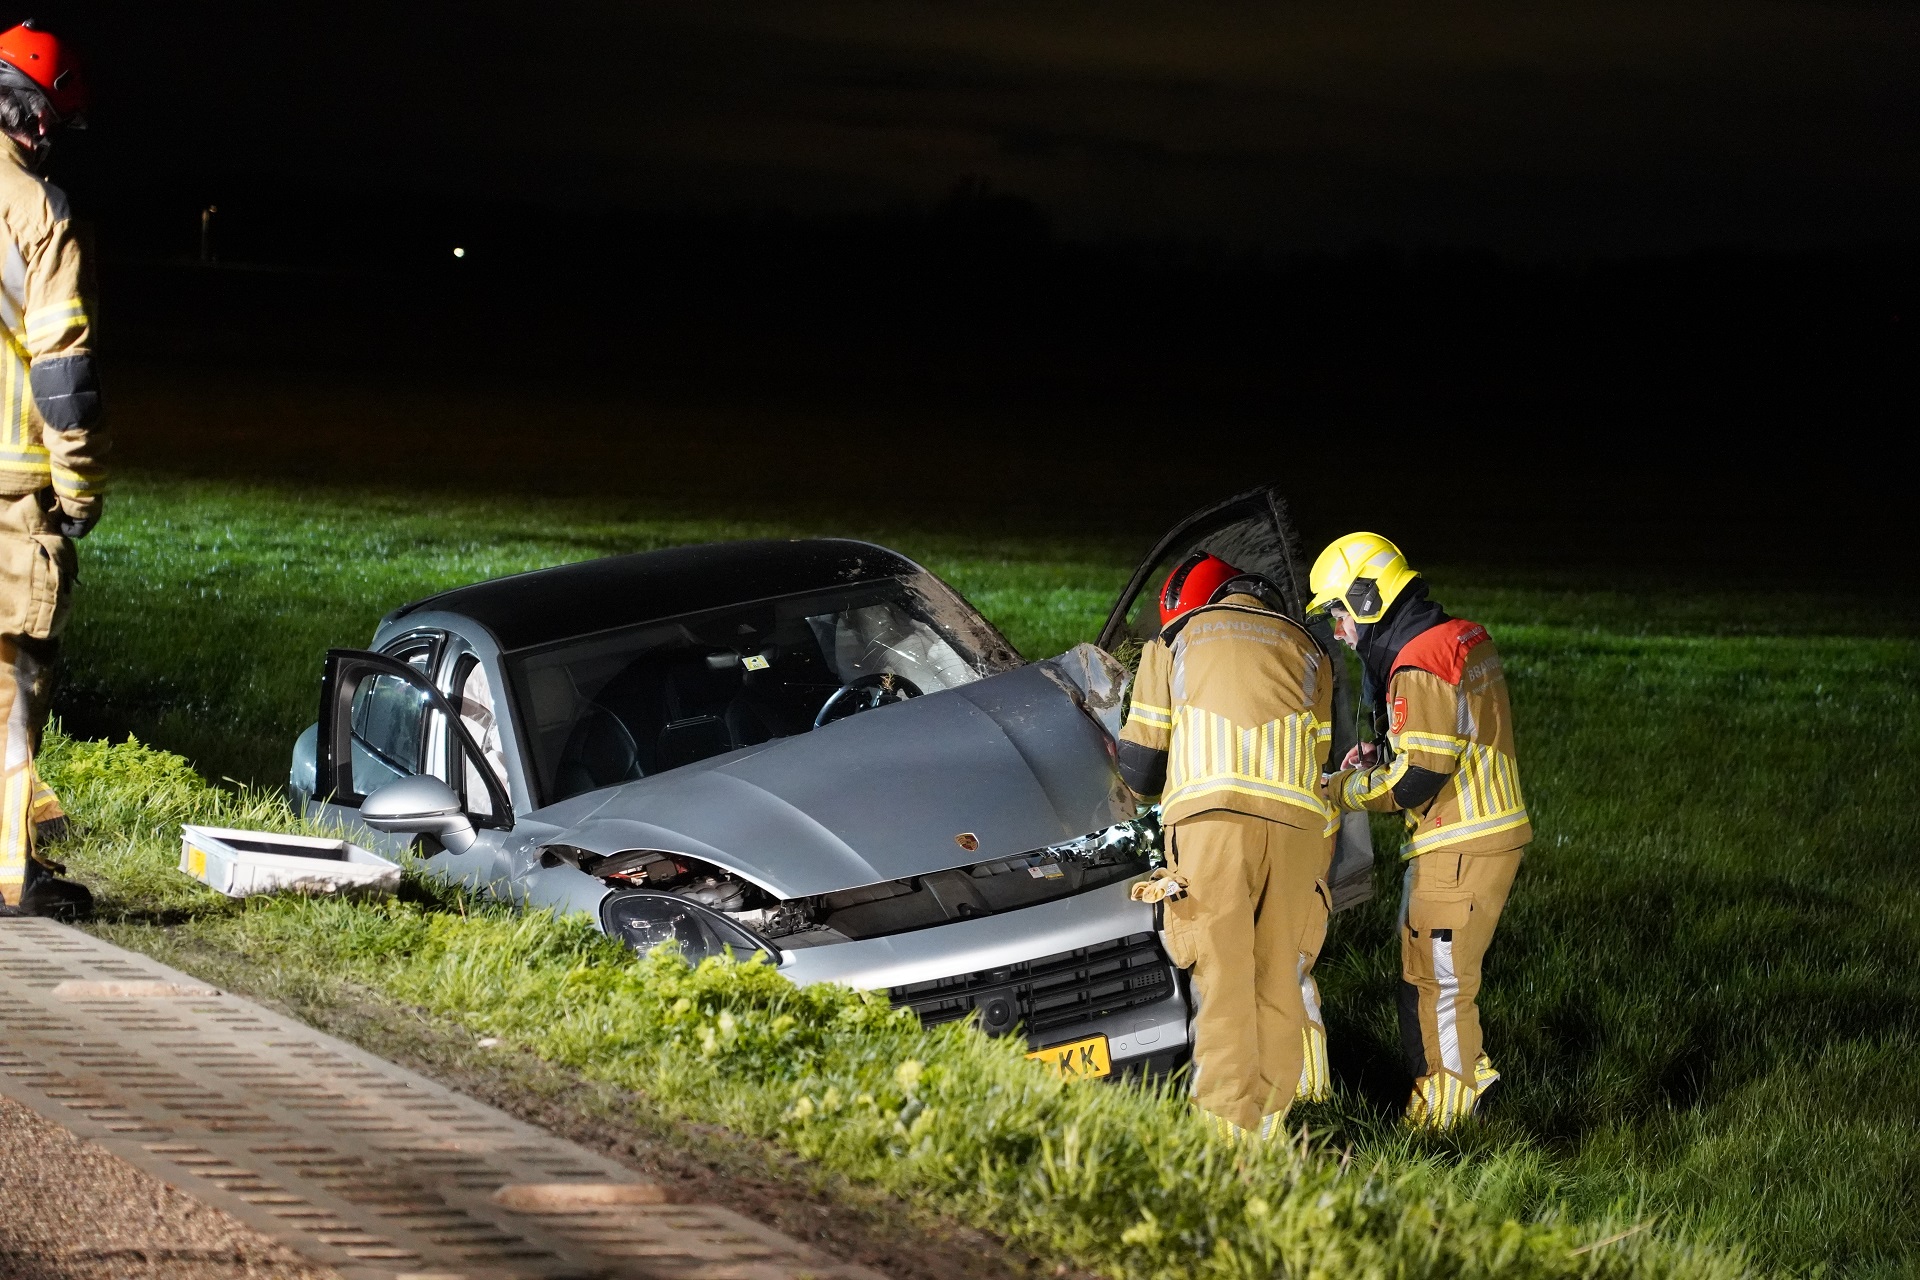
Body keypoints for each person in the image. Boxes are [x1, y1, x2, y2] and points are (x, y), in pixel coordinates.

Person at [1309, 533, 1528, 1129]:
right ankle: (1466, 1082)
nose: (1336, 629)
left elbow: (1418, 779)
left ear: (1366, 599)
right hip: (1482, 832)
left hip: (1458, 842)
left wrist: (1343, 788)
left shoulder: (1418, 661)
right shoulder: (1455, 636)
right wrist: (1381, 750)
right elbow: (1442, 738)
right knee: (1432, 973)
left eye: (1336, 611)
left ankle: (1449, 1114)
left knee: (1438, 982)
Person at [1118, 552, 1337, 1139]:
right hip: (1296, 832)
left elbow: (1139, 765)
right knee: (1278, 978)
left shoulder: (1174, 640)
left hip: (1212, 827)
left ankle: (1222, 1137)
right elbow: (1320, 756)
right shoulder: (1311, 651)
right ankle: (1272, 1132)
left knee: (1222, 979)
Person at [0, 20, 103, 918]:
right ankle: (9, 876)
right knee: (11, 681)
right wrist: (76, 486)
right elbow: (60, 367)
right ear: (31, 114)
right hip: (8, 488)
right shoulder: (41, 210)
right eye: (52, 124)